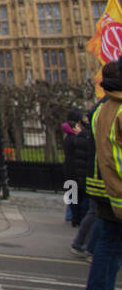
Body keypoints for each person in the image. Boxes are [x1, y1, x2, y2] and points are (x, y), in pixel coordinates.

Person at [84, 61, 122, 290]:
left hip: (101, 185)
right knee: (110, 244)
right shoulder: (117, 109)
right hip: (115, 188)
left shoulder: (100, 108)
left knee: (108, 241)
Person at [62, 109, 96, 257]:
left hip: (72, 171)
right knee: (79, 199)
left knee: (74, 197)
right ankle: (75, 219)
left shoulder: (72, 137)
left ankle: (73, 218)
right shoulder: (80, 138)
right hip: (78, 172)